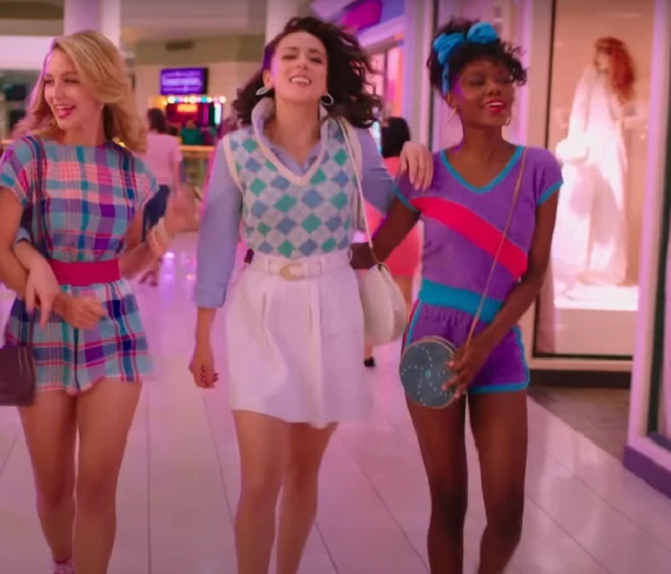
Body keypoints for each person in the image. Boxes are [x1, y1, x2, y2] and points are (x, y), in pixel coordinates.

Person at [191, 17, 432, 574]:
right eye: (291, 55)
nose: (302, 63)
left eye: (315, 58)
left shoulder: (352, 141)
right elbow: (216, 245)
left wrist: (416, 155)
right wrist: (202, 334)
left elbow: (396, 200)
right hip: (261, 309)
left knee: (304, 471)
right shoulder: (236, 151)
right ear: (269, 75)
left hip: (333, 307)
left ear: (326, 78)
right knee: (260, 480)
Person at [0, 30, 195, 574]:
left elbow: (122, 265)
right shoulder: (28, 155)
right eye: (50, 80)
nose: (56, 92)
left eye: (71, 80)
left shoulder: (131, 170)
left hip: (113, 327)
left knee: (99, 487)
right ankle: (63, 562)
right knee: (55, 487)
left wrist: (162, 239)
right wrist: (55, 300)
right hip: (40, 327)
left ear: (103, 84)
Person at [358, 19, 562, 574]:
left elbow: (535, 274)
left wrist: (487, 343)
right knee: (448, 502)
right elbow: (373, 252)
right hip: (431, 341)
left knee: (508, 513)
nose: (494, 89)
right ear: (451, 96)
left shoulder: (539, 168)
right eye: (476, 81)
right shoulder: (426, 173)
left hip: (497, 344)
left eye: (503, 79)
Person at [362, 116, 422, 367]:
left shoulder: (376, 167)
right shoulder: (412, 168)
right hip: (407, 237)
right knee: (406, 298)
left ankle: (366, 353)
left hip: (378, 237)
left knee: (370, 299)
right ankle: (408, 350)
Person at [138, 107, 184, 285]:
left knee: (143, 230)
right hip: (162, 188)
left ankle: (147, 265)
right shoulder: (171, 141)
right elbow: (176, 167)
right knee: (157, 230)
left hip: (143, 188)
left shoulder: (142, 140)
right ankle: (154, 267)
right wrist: (177, 190)